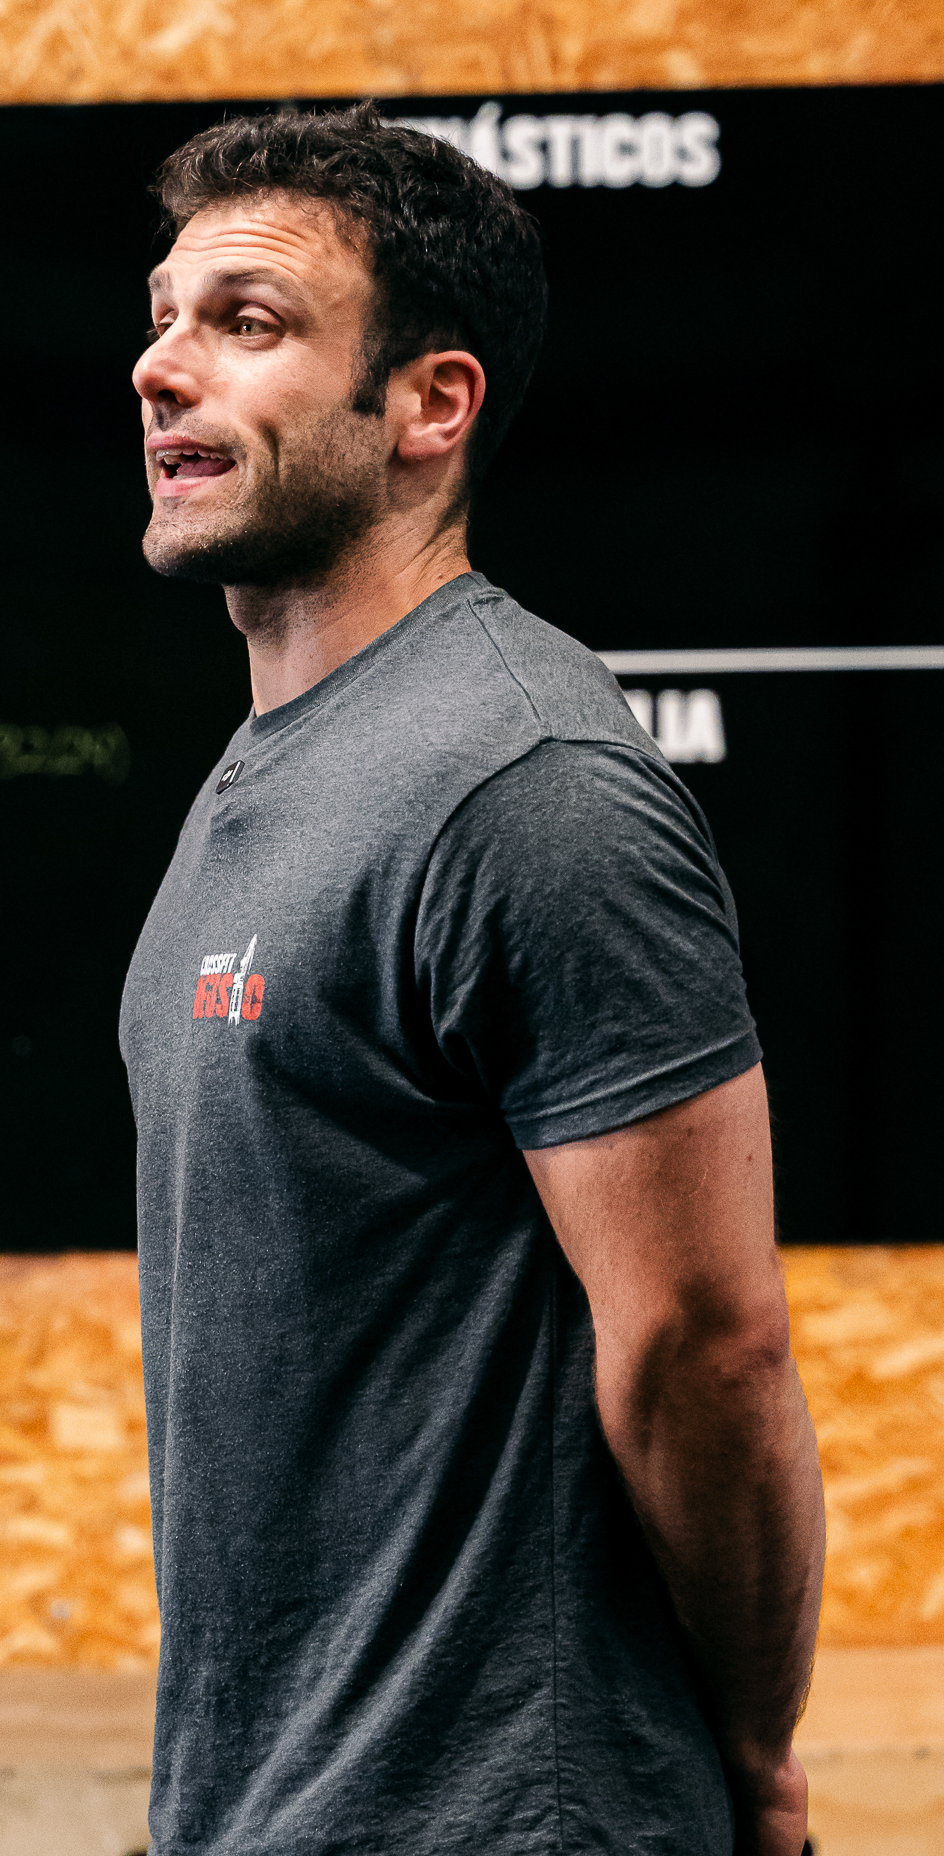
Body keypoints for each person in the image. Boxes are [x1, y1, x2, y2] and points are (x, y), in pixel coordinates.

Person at [118, 101, 825, 1856]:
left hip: (506, 1812)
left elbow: (707, 1345)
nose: (161, 366)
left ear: (430, 406)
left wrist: (750, 1756)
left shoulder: (529, 787)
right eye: (166, 312)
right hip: (273, 1802)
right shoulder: (274, 765)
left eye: (248, 323)